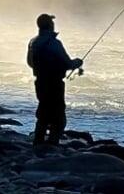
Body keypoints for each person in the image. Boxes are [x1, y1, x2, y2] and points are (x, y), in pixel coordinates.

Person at [26, 12, 82, 147]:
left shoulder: (33, 42)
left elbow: (30, 63)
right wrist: (78, 62)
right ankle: (52, 145)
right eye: (52, 22)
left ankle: (38, 142)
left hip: (40, 82)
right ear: (50, 25)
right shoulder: (54, 43)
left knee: (43, 113)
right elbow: (68, 63)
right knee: (58, 116)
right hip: (54, 83)